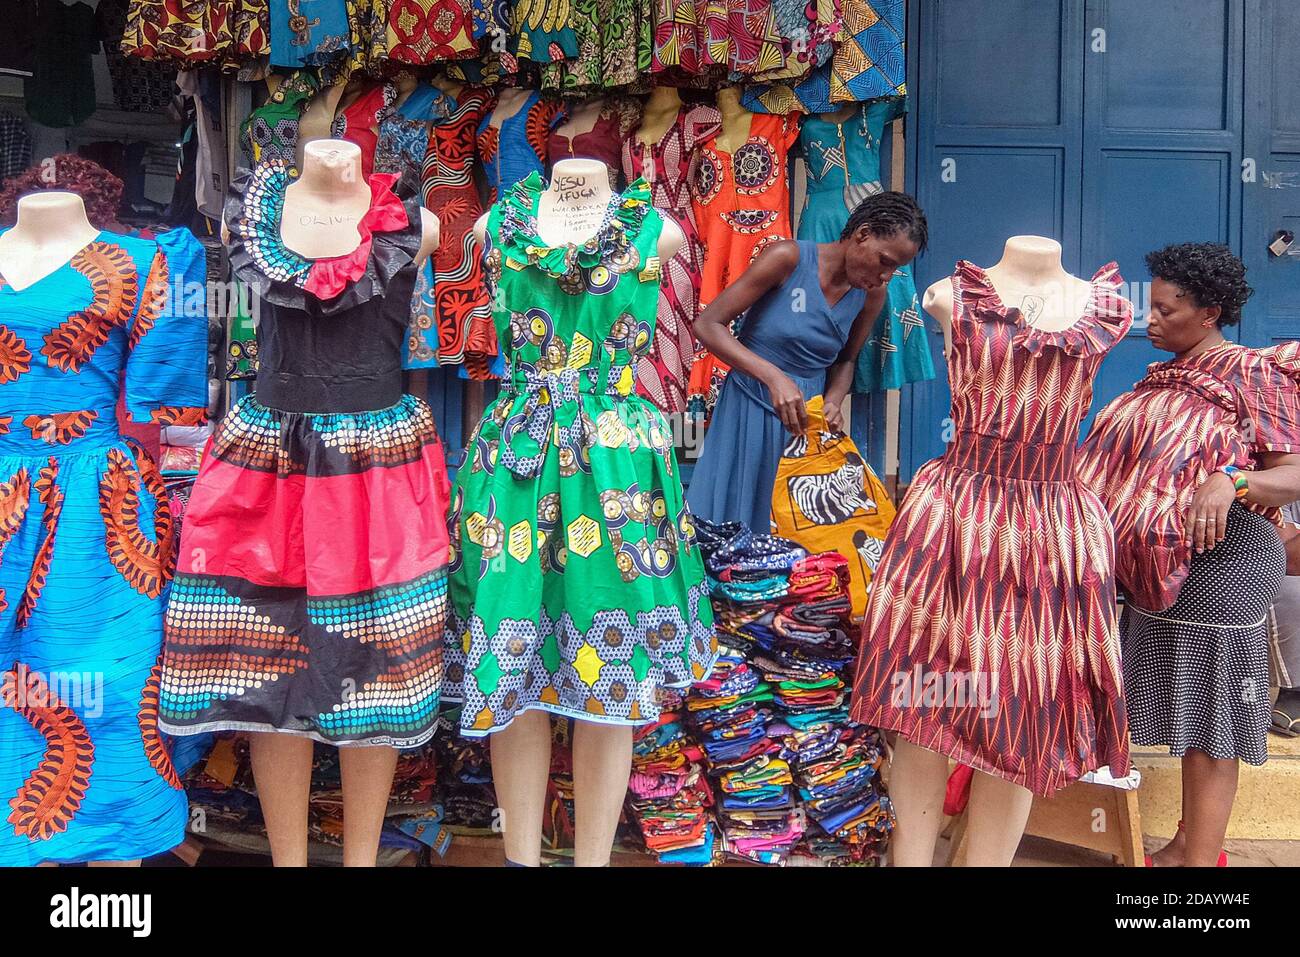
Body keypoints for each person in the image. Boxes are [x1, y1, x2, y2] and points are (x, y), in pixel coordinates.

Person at [1077, 242, 1300, 867]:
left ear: (1210, 313)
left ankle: (1201, 864)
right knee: (1173, 706)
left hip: (1224, 564)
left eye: (1167, 310)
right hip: (1159, 571)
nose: (1151, 320)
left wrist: (1234, 480)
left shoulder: (1252, 374)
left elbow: (1294, 471)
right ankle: (1182, 843)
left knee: (1215, 721)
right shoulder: (1167, 377)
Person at [685, 191, 927, 531]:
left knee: (792, 539)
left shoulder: (872, 294)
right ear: (863, 235)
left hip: (803, 426)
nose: (887, 276)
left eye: (896, 268)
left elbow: (846, 361)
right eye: (885, 261)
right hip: (749, 409)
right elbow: (708, 325)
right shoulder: (788, 258)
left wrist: (833, 401)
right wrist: (773, 377)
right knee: (728, 526)